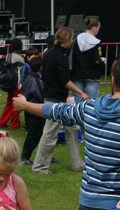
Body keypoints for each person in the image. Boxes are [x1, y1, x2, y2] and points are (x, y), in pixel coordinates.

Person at [14, 58, 120, 210]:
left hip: (89, 204)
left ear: (111, 79)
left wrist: (25, 105)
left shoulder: (90, 109)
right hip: (116, 209)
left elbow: (57, 110)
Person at [31, 27, 87, 174]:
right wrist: (81, 92)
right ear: (67, 39)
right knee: (50, 134)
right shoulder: (60, 57)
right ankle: (40, 167)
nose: (73, 41)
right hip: (55, 100)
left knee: (72, 129)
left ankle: (77, 163)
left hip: (56, 98)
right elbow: (64, 80)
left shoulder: (49, 54)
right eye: (72, 38)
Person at [18, 57, 45, 165]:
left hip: (30, 108)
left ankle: (42, 155)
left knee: (39, 133)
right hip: (35, 109)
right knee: (34, 134)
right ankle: (24, 156)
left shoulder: (29, 78)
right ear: (41, 68)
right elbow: (40, 94)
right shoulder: (36, 80)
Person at [72, 17, 104, 102]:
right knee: (91, 101)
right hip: (92, 75)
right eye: (98, 28)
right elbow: (96, 60)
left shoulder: (76, 39)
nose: (98, 30)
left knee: (78, 102)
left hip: (77, 74)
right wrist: (102, 64)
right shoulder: (96, 42)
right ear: (94, 28)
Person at [0, 38, 25, 130]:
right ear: (21, 47)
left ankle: (2, 122)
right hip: (17, 82)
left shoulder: (8, 56)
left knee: (9, 103)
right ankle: (14, 124)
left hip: (9, 82)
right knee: (16, 103)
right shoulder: (20, 58)